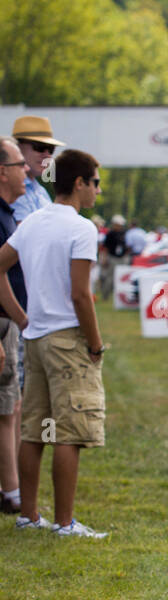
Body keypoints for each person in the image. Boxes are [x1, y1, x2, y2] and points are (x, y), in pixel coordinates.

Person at [0, 149, 108, 536]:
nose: (98, 190)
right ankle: (65, 523)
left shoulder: (31, 222)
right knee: (71, 430)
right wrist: (95, 344)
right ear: (79, 183)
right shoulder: (81, 228)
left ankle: (29, 515)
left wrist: (21, 317)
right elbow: (81, 295)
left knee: (36, 429)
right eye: (95, 182)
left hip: (35, 338)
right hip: (67, 341)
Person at [0, 138, 31, 516]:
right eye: (21, 163)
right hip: (3, 324)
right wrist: (22, 320)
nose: (28, 170)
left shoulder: (8, 213)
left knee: (11, 407)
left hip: (7, 325)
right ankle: (11, 493)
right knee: (7, 410)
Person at [11, 115, 60, 223]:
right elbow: (23, 235)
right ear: (17, 147)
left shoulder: (41, 191)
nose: (47, 155)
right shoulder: (10, 187)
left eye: (51, 149)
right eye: (40, 147)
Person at [100, 215, 128, 298]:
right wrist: (105, 259)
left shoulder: (123, 233)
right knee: (110, 277)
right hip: (112, 257)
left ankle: (120, 296)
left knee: (121, 277)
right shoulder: (110, 234)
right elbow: (105, 247)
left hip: (122, 258)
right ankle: (105, 295)